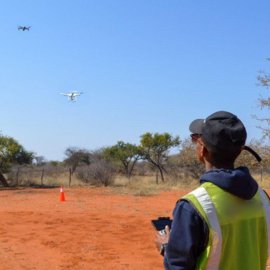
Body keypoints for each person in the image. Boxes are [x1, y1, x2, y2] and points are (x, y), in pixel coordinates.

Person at [155, 111, 270, 270]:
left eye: (196, 139)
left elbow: (178, 266)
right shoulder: (262, 198)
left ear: (202, 149)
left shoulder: (192, 206)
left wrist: (166, 247)